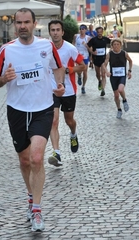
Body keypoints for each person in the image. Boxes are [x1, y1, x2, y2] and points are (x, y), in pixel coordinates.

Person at [0, 8, 65, 232]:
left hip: (43, 108)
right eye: (18, 23)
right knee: (24, 161)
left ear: (34, 24)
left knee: (37, 157)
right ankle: (31, 197)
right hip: (17, 111)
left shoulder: (46, 46)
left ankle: (38, 210)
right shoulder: (6, 50)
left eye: (26, 22)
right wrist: (4, 78)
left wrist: (59, 85)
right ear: (15, 25)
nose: (22, 26)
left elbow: (58, 67)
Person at [47, 20, 85, 167]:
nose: (55, 32)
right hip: (52, 90)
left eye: (58, 30)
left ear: (62, 32)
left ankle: (73, 134)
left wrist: (68, 70)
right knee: (54, 121)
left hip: (68, 91)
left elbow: (83, 66)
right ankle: (56, 153)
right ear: (49, 32)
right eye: (52, 30)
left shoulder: (70, 49)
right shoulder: (45, 49)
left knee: (69, 121)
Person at [103, 38, 133, 119]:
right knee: (116, 95)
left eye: (118, 44)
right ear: (112, 46)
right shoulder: (109, 54)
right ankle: (119, 109)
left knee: (120, 89)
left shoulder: (124, 53)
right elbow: (104, 64)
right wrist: (107, 72)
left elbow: (130, 61)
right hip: (113, 76)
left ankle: (124, 100)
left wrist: (129, 71)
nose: (116, 46)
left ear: (120, 45)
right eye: (114, 45)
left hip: (122, 75)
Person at [87, 26, 111, 96]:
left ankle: (103, 90)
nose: (100, 33)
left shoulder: (105, 39)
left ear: (102, 32)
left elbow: (112, 42)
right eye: (98, 32)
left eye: (101, 32)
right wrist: (92, 52)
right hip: (96, 59)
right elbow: (87, 46)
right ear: (96, 32)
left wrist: (110, 51)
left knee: (103, 74)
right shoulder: (93, 40)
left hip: (103, 59)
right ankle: (99, 81)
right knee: (98, 74)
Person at [72, 24, 91, 94]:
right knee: (78, 70)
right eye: (80, 29)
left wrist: (86, 45)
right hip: (77, 55)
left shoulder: (88, 38)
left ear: (86, 30)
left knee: (85, 71)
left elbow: (90, 48)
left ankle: (83, 86)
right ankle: (79, 76)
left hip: (85, 56)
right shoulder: (76, 36)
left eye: (83, 29)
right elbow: (73, 44)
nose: (81, 30)